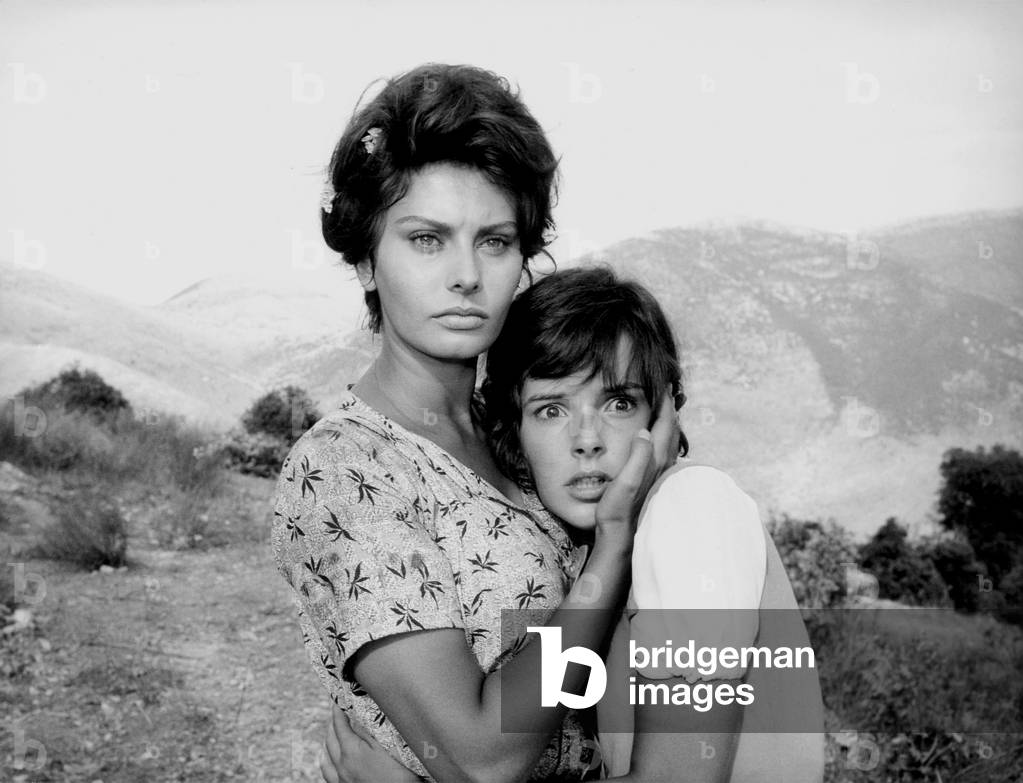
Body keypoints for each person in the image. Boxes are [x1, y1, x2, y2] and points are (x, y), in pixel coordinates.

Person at [271, 64, 680, 783]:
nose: (466, 274)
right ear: (367, 259)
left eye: (493, 241)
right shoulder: (343, 469)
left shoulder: (523, 438)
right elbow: (483, 755)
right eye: (427, 239)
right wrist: (607, 555)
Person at [322, 268, 825, 782]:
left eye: (619, 402)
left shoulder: (691, 509)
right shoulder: (602, 551)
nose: (588, 439)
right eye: (551, 409)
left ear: (666, 414)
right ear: (513, 432)